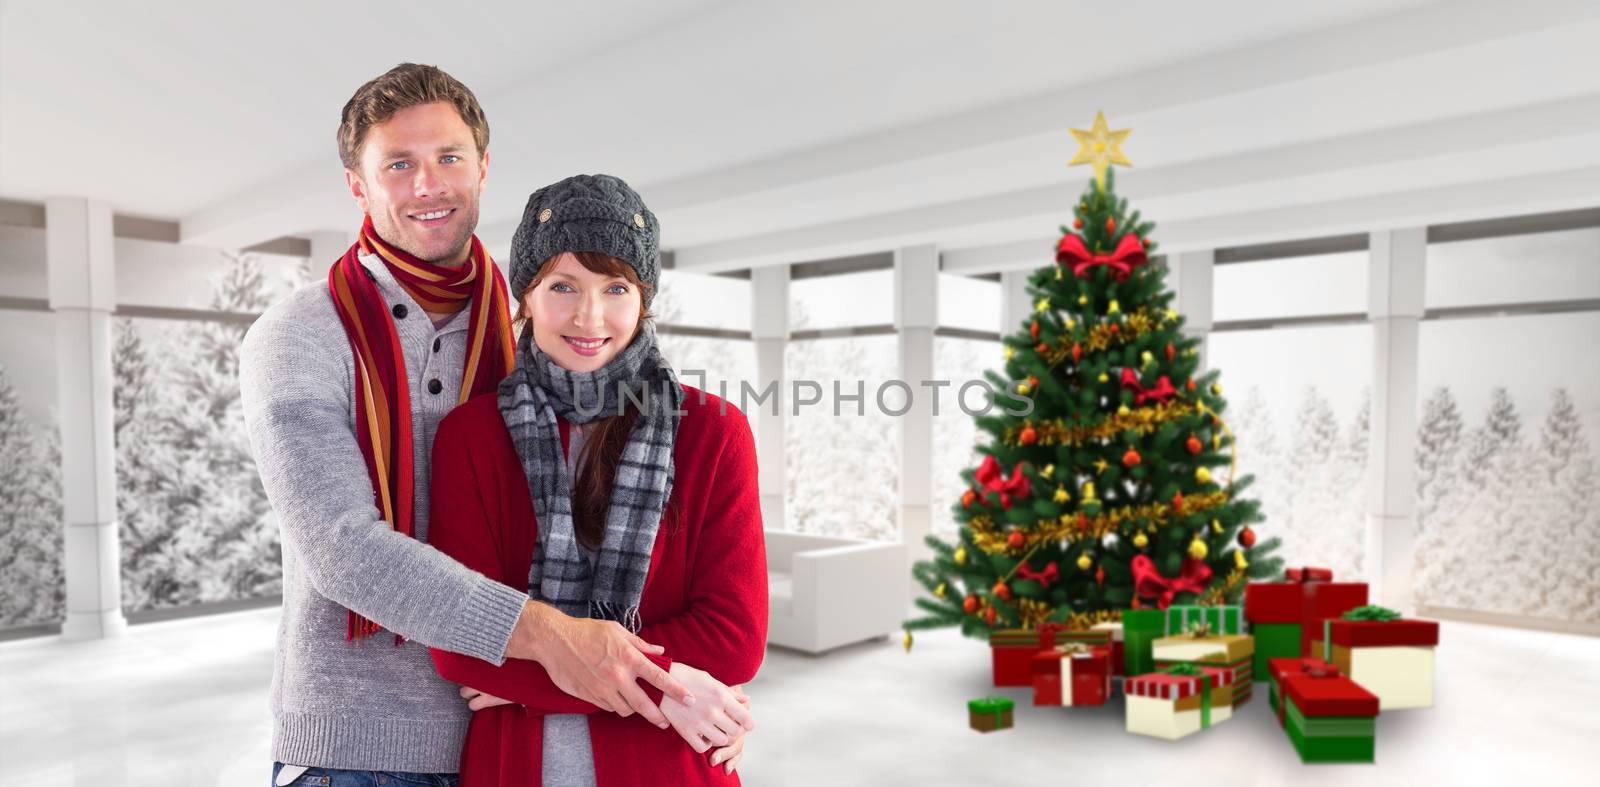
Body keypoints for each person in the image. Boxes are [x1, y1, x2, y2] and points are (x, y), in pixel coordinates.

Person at [241, 65, 712, 787]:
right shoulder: (300, 334)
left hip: (504, 737)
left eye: (449, 158)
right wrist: (560, 638)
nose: (429, 185)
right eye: (399, 164)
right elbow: (342, 549)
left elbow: (609, 525)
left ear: (483, 168)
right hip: (357, 749)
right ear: (358, 184)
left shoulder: (538, 324)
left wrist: (686, 689)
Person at [426, 174, 768, 786]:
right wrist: (674, 686)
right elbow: (458, 642)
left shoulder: (713, 431)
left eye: (616, 287)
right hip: (517, 767)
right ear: (526, 298)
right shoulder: (470, 438)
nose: (590, 316)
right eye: (563, 286)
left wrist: (527, 680)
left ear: (644, 301)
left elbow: (734, 638)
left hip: (671, 769)